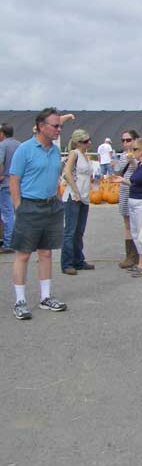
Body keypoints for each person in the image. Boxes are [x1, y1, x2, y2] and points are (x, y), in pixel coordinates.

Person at [9, 107, 67, 320]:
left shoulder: (54, 150)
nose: (59, 129)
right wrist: (18, 207)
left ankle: (45, 297)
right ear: (42, 127)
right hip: (29, 206)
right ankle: (20, 301)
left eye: (60, 125)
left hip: (51, 206)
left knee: (46, 253)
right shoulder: (25, 149)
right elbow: (14, 179)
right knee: (23, 254)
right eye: (55, 125)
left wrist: (58, 199)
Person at [112, 138, 142, 277]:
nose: (131, 152)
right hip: (134, 201)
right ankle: (140, 262)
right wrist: (123, 181)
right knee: (135, 233)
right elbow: (136, 183)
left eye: (135, 149)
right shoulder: (140, 165)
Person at [61, 129, 95, 275]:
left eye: (89, 140)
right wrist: (75, 190)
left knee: (79, 231)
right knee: (70, 231)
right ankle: (67, 263)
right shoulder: (74, 154)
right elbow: (67, 173)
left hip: (84, 197)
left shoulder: (86, 156)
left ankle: (79, 260)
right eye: (86, 141)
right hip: (73, 197)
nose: (89, 143)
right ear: (78, 142)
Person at [115, 129, 140, 269]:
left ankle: (137, 254)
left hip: (136, 190)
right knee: (128, 224)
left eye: (128, 140)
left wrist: (134, 163)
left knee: (137, 223)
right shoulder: (123, 155)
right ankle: (130, 254)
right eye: (123, 140)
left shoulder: (140, 154)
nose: (125, 143)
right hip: (124, 190)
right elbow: (118, 171)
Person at [0, 123, 21, 253]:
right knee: (16, 212)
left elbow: (0, 161)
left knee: (7, 214)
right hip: (18, 183)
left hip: (5, 183)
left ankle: (8, 242)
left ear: (2, 133)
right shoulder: (20, 145)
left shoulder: (3, 145)